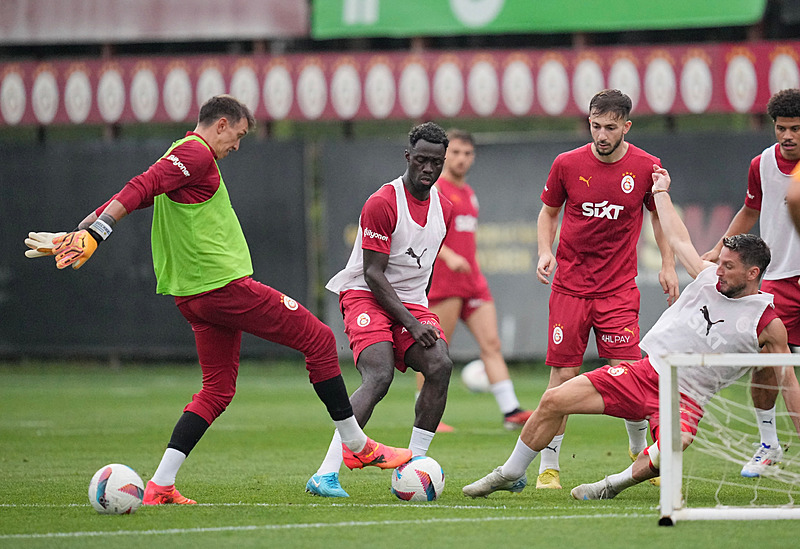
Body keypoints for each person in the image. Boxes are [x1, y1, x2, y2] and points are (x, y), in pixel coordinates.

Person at [24, 94, 411, 505]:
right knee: (317, 337)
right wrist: (95, 234)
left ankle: (160, 485)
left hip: (193, 296)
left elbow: (141, 193)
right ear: (221, 124)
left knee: (217, 390)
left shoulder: (182, 156)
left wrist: (80, 231)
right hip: (222, 287)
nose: (237, 146)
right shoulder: (196, 152)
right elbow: (141, 187)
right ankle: (356, 444)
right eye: (238, 135)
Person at [462, 165, 796, 501]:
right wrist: (661, 193)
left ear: (753, 273)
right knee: (554, 399)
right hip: (645, 374)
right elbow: (679, 238)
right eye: (719, 262)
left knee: (673, 446)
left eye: (728, 266)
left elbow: (788, 383)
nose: (717, 269)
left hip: (686, 399)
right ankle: (511, 472)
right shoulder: (708, 277)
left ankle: (610, 485)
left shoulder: (766, 324)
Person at [534, 89, 679, 489]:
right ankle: (550, 466)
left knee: (631, 374)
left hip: (617, 290)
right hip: (570, 289)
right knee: (562, 375)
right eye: (595, 125)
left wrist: (668, 265)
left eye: (610, 127)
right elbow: (548, 213)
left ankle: (639, 454)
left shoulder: (647, 166)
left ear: (626, 127)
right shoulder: (566, 164)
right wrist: (545, 250)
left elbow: (659, 217)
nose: (601, 134)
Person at [306, 122, 455, 498]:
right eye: (421, 160)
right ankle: (325, 474)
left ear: (443, 162)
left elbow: (428, 268)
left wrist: (421, 315)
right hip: (365, 294)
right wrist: (410, 323)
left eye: (435, 162)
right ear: (408, 156)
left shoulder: (445, 209)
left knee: (440, 364)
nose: (428, 169)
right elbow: (373, 274)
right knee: (379, 375)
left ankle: (413, 464)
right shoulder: (383, 202)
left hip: (411, 302)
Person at [702, 88, 800, 477]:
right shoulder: (760, 164)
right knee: (770, 366)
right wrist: (718, 248)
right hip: (777, 282)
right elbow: (750, 209)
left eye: (795, 128)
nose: (788, 136)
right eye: (781, 128)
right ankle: (768, 443)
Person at [417, 128, 532, 432]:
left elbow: (467, 240)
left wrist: (469, 262)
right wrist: (448, 256)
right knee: (436, 348)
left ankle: (511, 410)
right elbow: (421, 235)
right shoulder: (434, 191)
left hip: (472, 281)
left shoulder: (469, 194)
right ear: (444, 155)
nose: (461, 159)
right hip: (445, 282)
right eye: (455, 152)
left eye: (467, 154)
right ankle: (426, 412)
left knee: (491, 343)